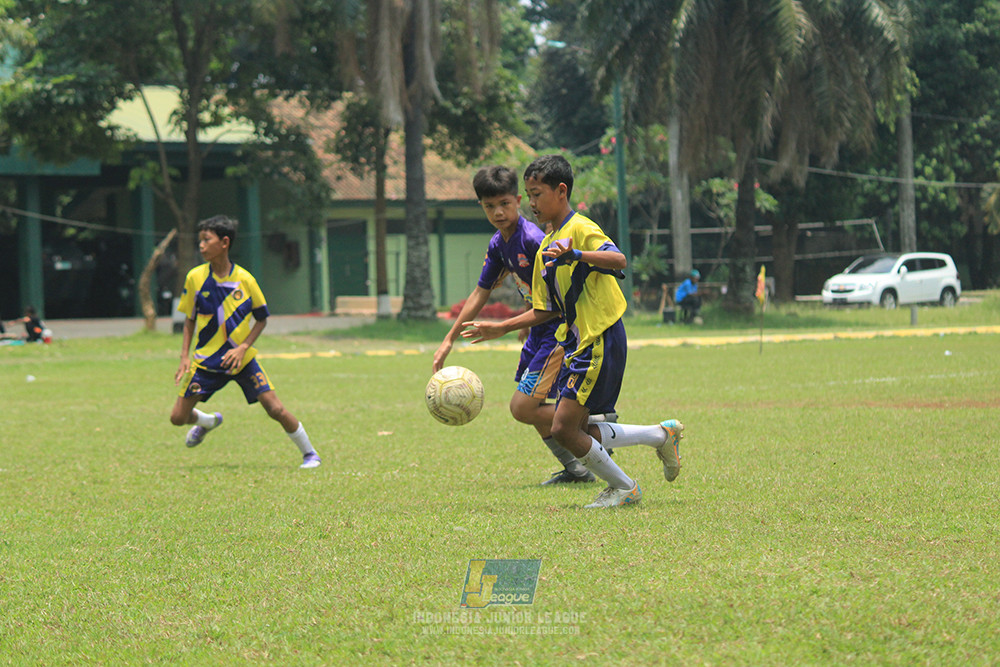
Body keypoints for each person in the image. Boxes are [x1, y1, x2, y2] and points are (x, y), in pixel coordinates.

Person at [461, 155, 685, 509]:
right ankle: (660, 435)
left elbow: (619, 259)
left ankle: (625, 487)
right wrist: (500, 327)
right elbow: (544, 309)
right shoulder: (545, 248)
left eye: (536, 195)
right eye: (529, 196)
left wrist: (578, 254)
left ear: (561, 191)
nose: (531, 204)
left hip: (600, 338)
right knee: (576, 429)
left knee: (566, 429)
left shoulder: (579, 228)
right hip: (577, 344)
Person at [433, 165, 612, 485]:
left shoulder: (532, 239)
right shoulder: (499, 243)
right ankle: (577, 470)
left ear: (517, 200)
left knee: (522, 408)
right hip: (535, 331)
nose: (498, 212)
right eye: (490, 206)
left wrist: (510, 324)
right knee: (532, 408)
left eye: (504, 203)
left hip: (556, 332)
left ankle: (595, 422)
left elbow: (554, 298)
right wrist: (449, 338)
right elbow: (480, 292)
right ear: (481, 207)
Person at [170, 215, 321, 469]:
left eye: (207, 240)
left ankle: (310, 454)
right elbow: (189, 321)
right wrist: (184, 357)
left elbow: (261, 319)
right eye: (200, 241)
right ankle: (207, 422)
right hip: (205, 362)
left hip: (241, 362)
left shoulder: (246, 280)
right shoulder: (195, 278)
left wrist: (243, 347)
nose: (201, 246)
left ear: (225, 242)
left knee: (275, 409)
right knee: (177, 418)